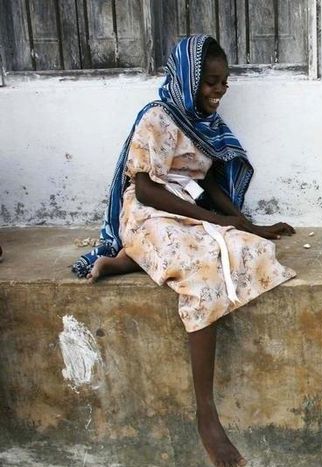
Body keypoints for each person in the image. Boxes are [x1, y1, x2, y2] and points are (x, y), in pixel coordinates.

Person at [73, 35, 296, 466]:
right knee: (201, 274)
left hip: (187, 210)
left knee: (252, 252)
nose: (218, 91)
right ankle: (206, 415)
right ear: (188, 79)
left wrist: (248, 225)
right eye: (210, 82)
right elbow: (145, 188)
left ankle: (127, 262)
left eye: (224, 83)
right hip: (148, 211)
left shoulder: (202, 123)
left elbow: (207, 182)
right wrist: (213, 220)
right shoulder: (157, 119)